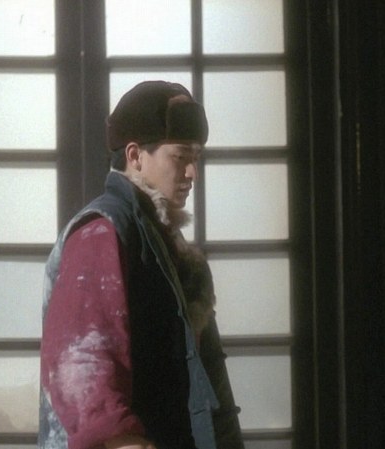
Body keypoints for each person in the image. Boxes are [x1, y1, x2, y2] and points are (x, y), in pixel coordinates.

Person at [38, 81, 244, 449]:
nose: (192, 173)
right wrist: (124, 440)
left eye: (196, 158)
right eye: (180, 157)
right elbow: (81, 360)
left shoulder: (165, 241)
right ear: (135, 156)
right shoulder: (102, 231)